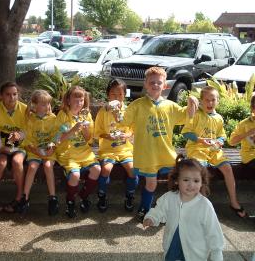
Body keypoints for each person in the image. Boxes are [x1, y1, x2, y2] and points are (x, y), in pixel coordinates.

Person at [121, 67, 198, 220]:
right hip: (147, 154)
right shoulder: (137, 105)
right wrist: (115, 109)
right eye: (152, 82)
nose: (155, 85)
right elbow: (123, 120)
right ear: (145, 84)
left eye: (159, 82)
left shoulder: (170, 105)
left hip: (166, 153)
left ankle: (172, 209)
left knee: (176, 182)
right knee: (151, 184)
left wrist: (192, 104)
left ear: (165, 86)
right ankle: (145, 208)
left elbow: (185, 116)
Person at [143, 155, 224, 261]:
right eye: (186, 180)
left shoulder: (204, 206)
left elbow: (213, 231)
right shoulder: (169, 198)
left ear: (201, 183)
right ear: (177, 180)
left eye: (196, 181)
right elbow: (159, 210)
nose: (191, 184)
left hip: (195, 252)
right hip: (172, 245)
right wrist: (152, 218)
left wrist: (217, 253)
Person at [182, 86, 246, 218]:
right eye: (207, 100)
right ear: (201, 101)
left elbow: (222, 136)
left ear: (217, 101)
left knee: (227, 168)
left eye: (213, 100)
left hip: (214, 150)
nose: (210, 103)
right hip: (197, 149)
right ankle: (201, 205)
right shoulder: (196, 115)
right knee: (201, 171)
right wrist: (201, 140)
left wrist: (220, 141)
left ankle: (233, 202)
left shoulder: (219, 118)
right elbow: (186, 133)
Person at [55, 86, 101, 218]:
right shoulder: (63, 115)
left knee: (97, 169)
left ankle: (83, 196)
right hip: (67, 153)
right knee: (75, 175)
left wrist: (85, 129)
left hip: (84, 152)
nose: (79, 103)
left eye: (81, 100)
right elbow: (58, 139)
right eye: (75, 100)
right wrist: (73, 130)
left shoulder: (86, 115)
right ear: (68, 100)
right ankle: (70, 200)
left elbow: (88, 139)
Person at [94, 79, 138, 212]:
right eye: (113, 94)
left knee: (133, 170)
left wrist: (128, 135)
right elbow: (98, 132)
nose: (117, 97)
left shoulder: (128, 110)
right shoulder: (103, 111)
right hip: (108, 149)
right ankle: (102, 195)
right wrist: (108, 136)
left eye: (120, 94)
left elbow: (133, 128)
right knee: (106, 169)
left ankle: (130, 195)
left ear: (125, 95)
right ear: (108, 95)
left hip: (125, 149)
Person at [0, 82, 27, 213]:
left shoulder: (25, 109)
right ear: (1, 96)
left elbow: (28, 130)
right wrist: (0, 147)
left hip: (19, 147)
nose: (12, 97)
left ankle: (19, 197)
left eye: (15, 94)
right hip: (1, 146)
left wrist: (19, 135)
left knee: (17, 161)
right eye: (8, 94)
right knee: (1, 162)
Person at [19, 89, 58, 216]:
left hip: (49, 152)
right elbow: (27, 139)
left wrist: (52, 146)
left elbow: (56, 136)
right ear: (34, 105)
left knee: (47, 166)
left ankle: (52, 198)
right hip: (34, 150)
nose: (46, 106)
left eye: (48, 104)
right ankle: (25, 197)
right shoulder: (30, 119)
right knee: (32, 167)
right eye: (43, 104)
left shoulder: (53, 118)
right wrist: (34, 149)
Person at [229, 93, 255, 171]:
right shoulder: (244, 124)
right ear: (253, 109)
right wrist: (248, 133)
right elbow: (232, 142)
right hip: (250, 157)